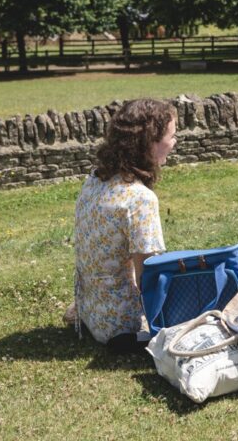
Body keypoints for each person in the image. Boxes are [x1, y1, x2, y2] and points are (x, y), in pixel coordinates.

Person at [68, 98, 176, 352]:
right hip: (122, 325)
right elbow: (149, 275)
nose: (174, 143)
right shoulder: (139, 198)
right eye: (171, 136)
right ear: (149, 142)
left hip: (90, 312)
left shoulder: (96, 178)